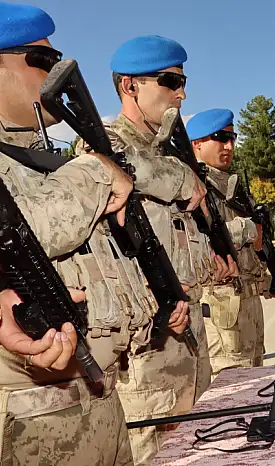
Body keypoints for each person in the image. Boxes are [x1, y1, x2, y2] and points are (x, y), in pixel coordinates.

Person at [0, 3, 188, 464]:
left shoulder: (47, 158)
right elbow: (32, 229)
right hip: (31, 419)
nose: (52, 73)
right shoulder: (84, 164)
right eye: (41, 60)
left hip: (99, 399)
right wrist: (98, 172)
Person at [76, 35, 233, 465]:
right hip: (148, 359)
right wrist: (182, 180)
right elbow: (113, 166)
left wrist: (212, 263)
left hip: (191, 341)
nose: (182, 93)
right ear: (130, 86)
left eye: (183, 81)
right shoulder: (100, 145)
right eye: (170, 81)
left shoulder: (169, 155)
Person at [187, 108, 275, 377]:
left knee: (253, 394)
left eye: (232, 138)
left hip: (249, 317)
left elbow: (247, 259)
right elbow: (196, 242)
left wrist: (270, 285)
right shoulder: (190, 188)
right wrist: (246, 228)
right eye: (220, 137)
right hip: (221, 321)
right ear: (196, 144)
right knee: (230, 396)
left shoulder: (232, 188)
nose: (229, 146)